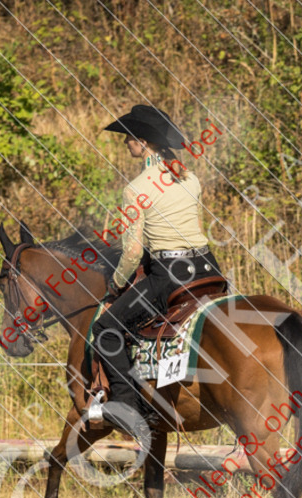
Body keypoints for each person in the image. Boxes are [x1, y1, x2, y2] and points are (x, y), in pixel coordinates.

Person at [92, 104, 222, 433]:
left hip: (169, 276)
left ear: (144, 142)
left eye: (129, 138)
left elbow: (133, 251)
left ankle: (125, 407)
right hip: (208, 270)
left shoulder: (136, 189)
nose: (126, 144)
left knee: (106, 328)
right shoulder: (190, 178)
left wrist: (116, 285)